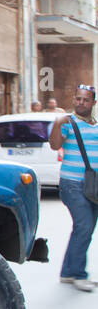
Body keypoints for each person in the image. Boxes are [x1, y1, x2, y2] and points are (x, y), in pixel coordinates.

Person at [49, 84, 98, 292]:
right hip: (72, 184)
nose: (81, 103)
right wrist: (58, 123)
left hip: (93, 185)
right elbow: (54, 145)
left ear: (93, 103)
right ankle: (78, 274)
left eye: (86, 100)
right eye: (78, 99)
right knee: (84, 226)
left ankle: (68, 272)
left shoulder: (96, 125)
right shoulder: (68, 123)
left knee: (84, 228)